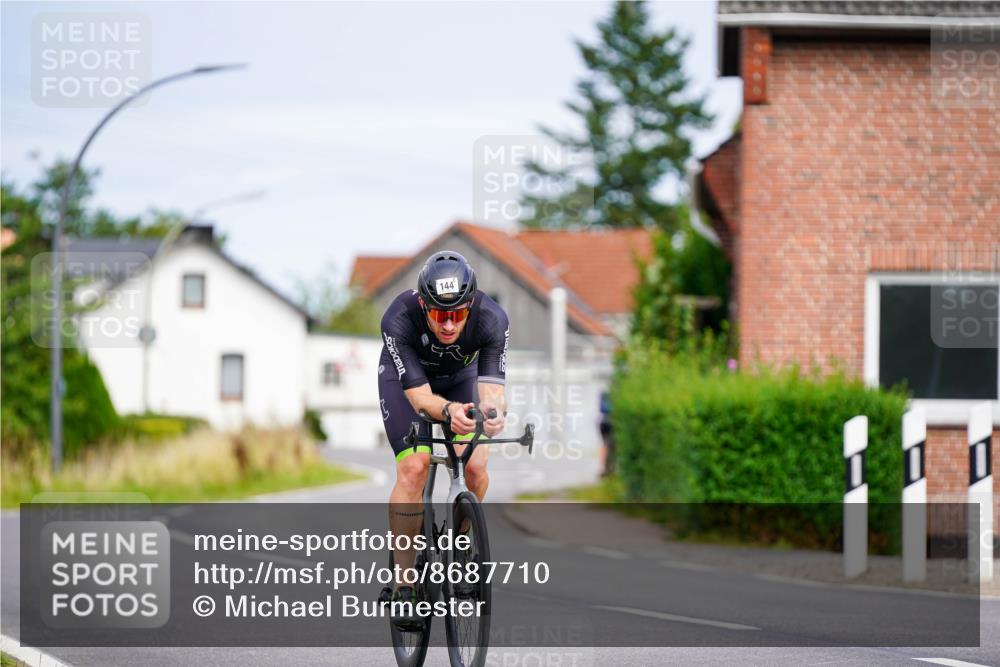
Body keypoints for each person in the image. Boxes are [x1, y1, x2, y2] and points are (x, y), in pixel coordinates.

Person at [377, 250, 509, 623]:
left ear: (470, 307)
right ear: (424, 304)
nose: (449, 325)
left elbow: (493, 391)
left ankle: (462, 542)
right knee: (414, 469)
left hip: (461, 379)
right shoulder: (398, 318)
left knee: (476, 466)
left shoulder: (492, 319)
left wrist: (493, 415)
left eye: (457, 315)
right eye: (439, 315)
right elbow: (419, 399)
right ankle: (404, 584)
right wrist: (449, 412)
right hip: (407, 383)